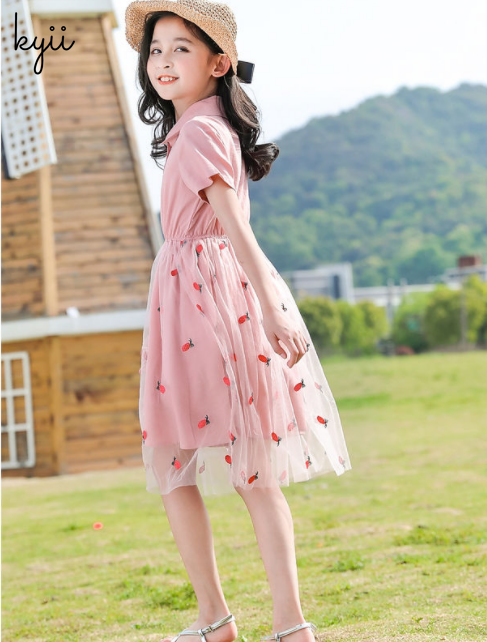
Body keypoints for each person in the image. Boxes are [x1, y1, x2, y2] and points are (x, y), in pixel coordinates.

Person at [125, 2, 352, 642]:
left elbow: (233, 224)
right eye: (156, 50)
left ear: (219, 63)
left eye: (182, 49)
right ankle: (286, 625)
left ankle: (219, 617)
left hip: (199, 302)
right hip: (207, 294)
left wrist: (273, 308)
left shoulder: (199, 131)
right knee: (251, 469)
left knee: (175, 459)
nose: (163, 62)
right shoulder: (205, 126)